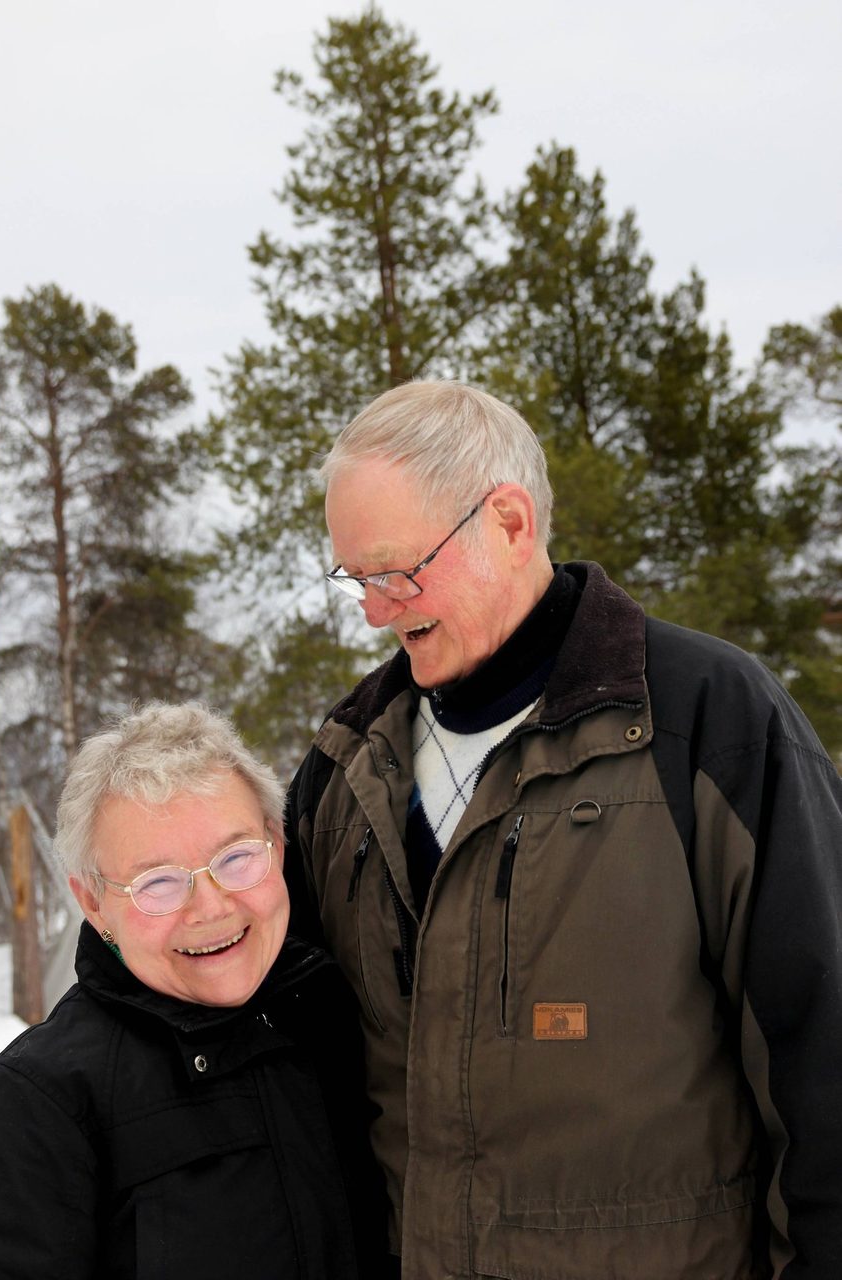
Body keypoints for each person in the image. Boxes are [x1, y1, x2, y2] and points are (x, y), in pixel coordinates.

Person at [284, 379, 842, 1279]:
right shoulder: (346, 766)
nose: (374, 611)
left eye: (397, 570)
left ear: (508, 523)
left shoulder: (707, 721)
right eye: (357, 577)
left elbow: (822, 1056)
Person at [0, 702, 388, 1280]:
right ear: (93, 902)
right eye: (158, 883)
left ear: (277, 845)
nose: (212, 908)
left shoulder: (341, 1014)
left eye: (237, 858)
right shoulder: (38, 1107)